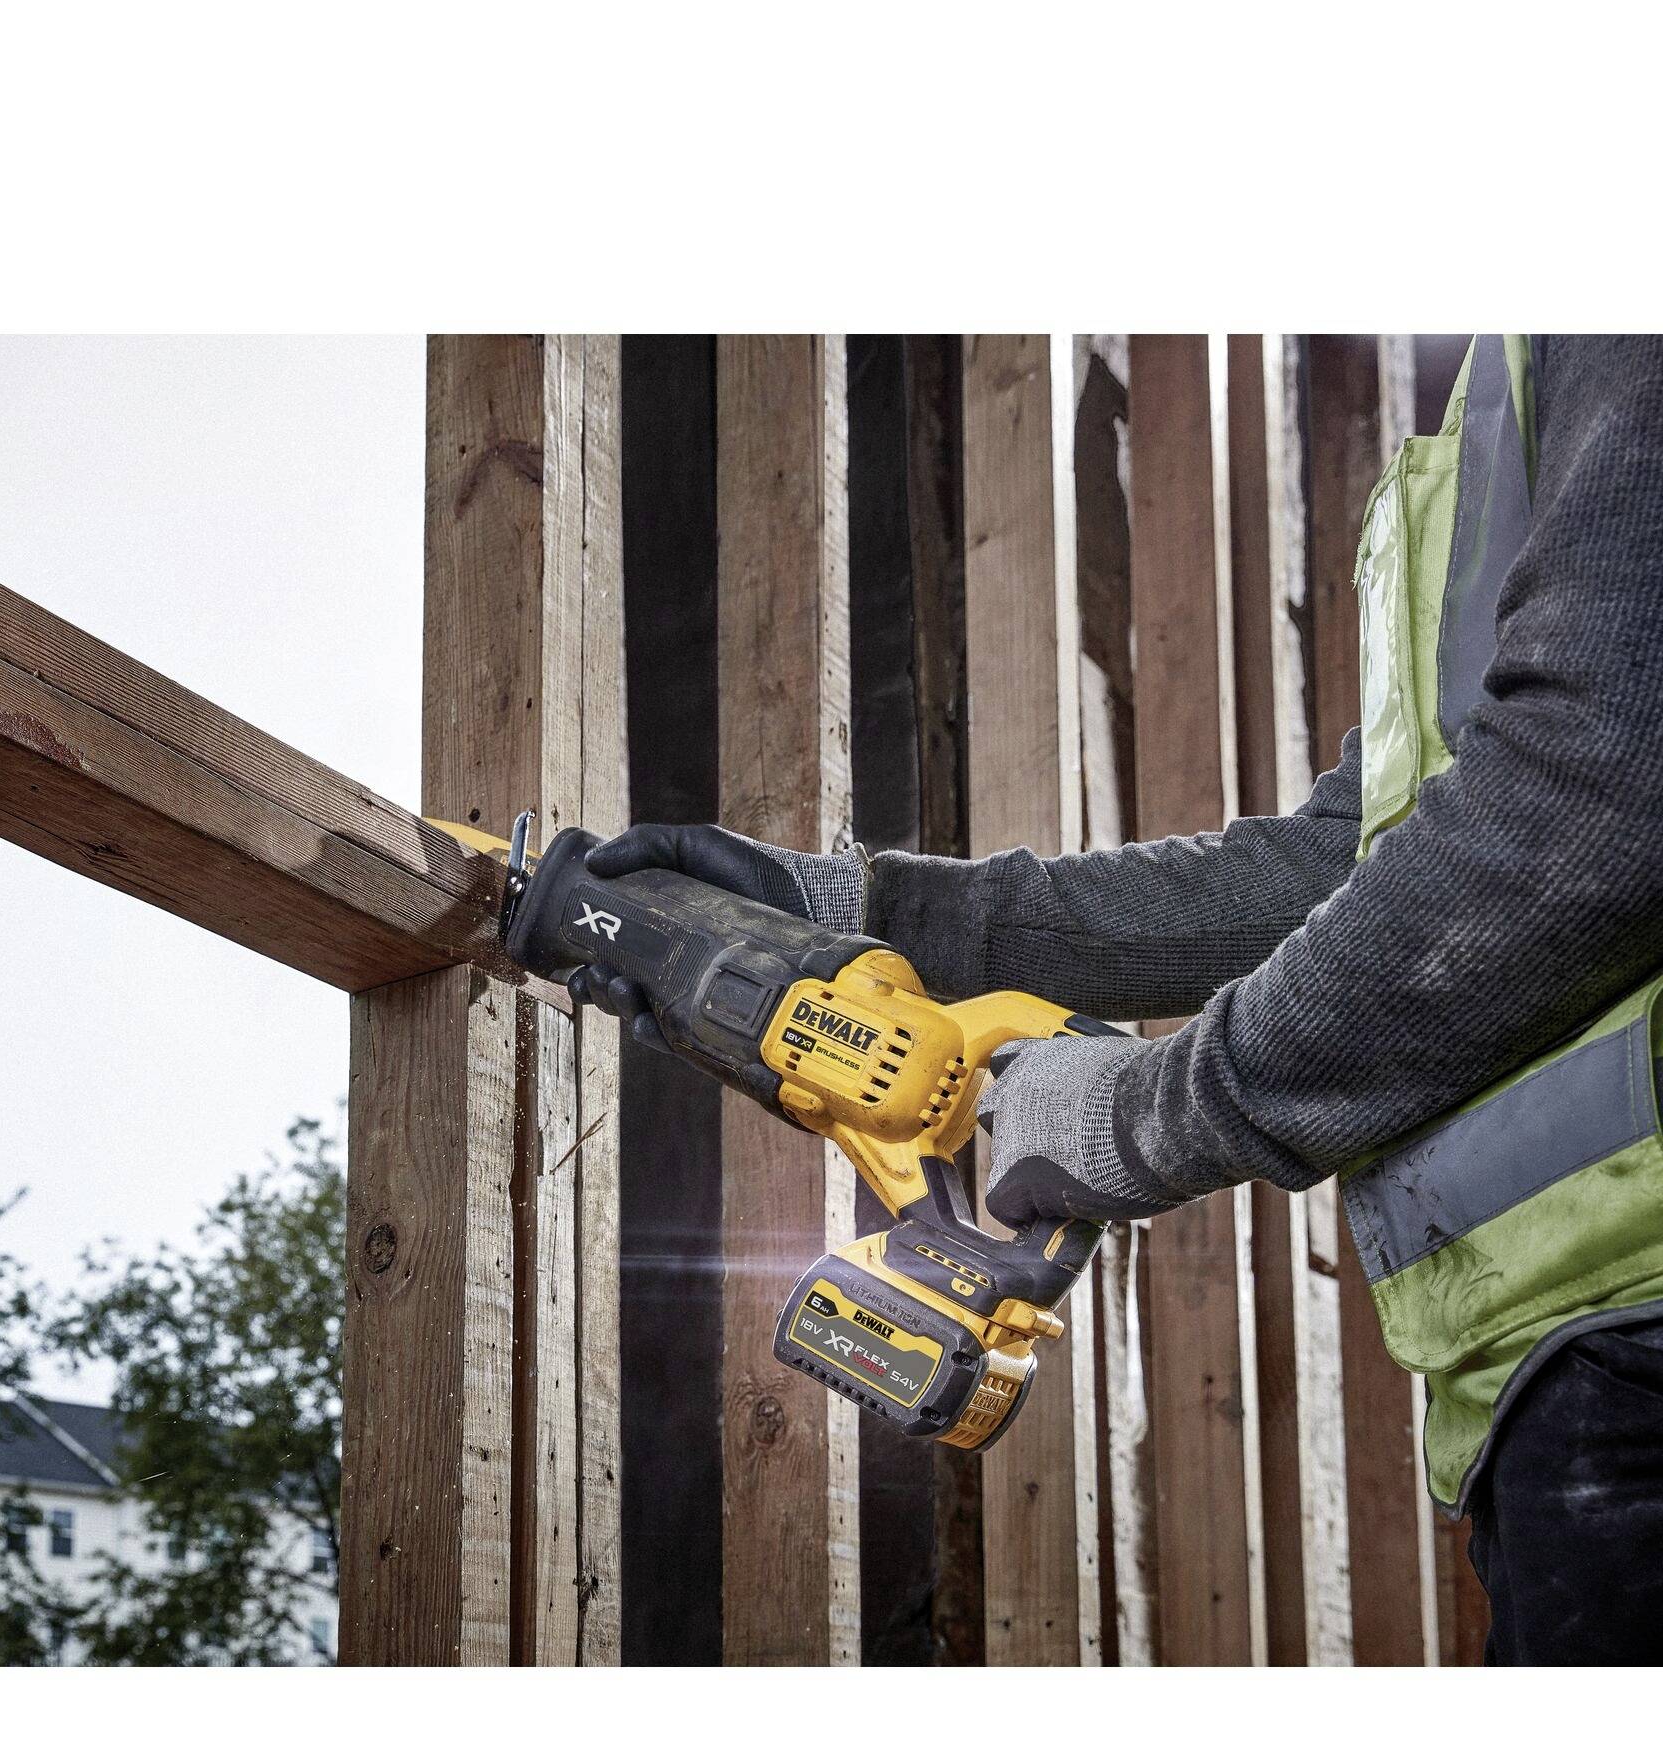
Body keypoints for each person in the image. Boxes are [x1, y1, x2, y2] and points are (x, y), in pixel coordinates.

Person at [574, 336, 1663, 1666]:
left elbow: (1600, 795)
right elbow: (1343, 861)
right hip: (1562, 1369)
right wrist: (871, 910)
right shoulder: (1510, 379)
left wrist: (1143, 1117)